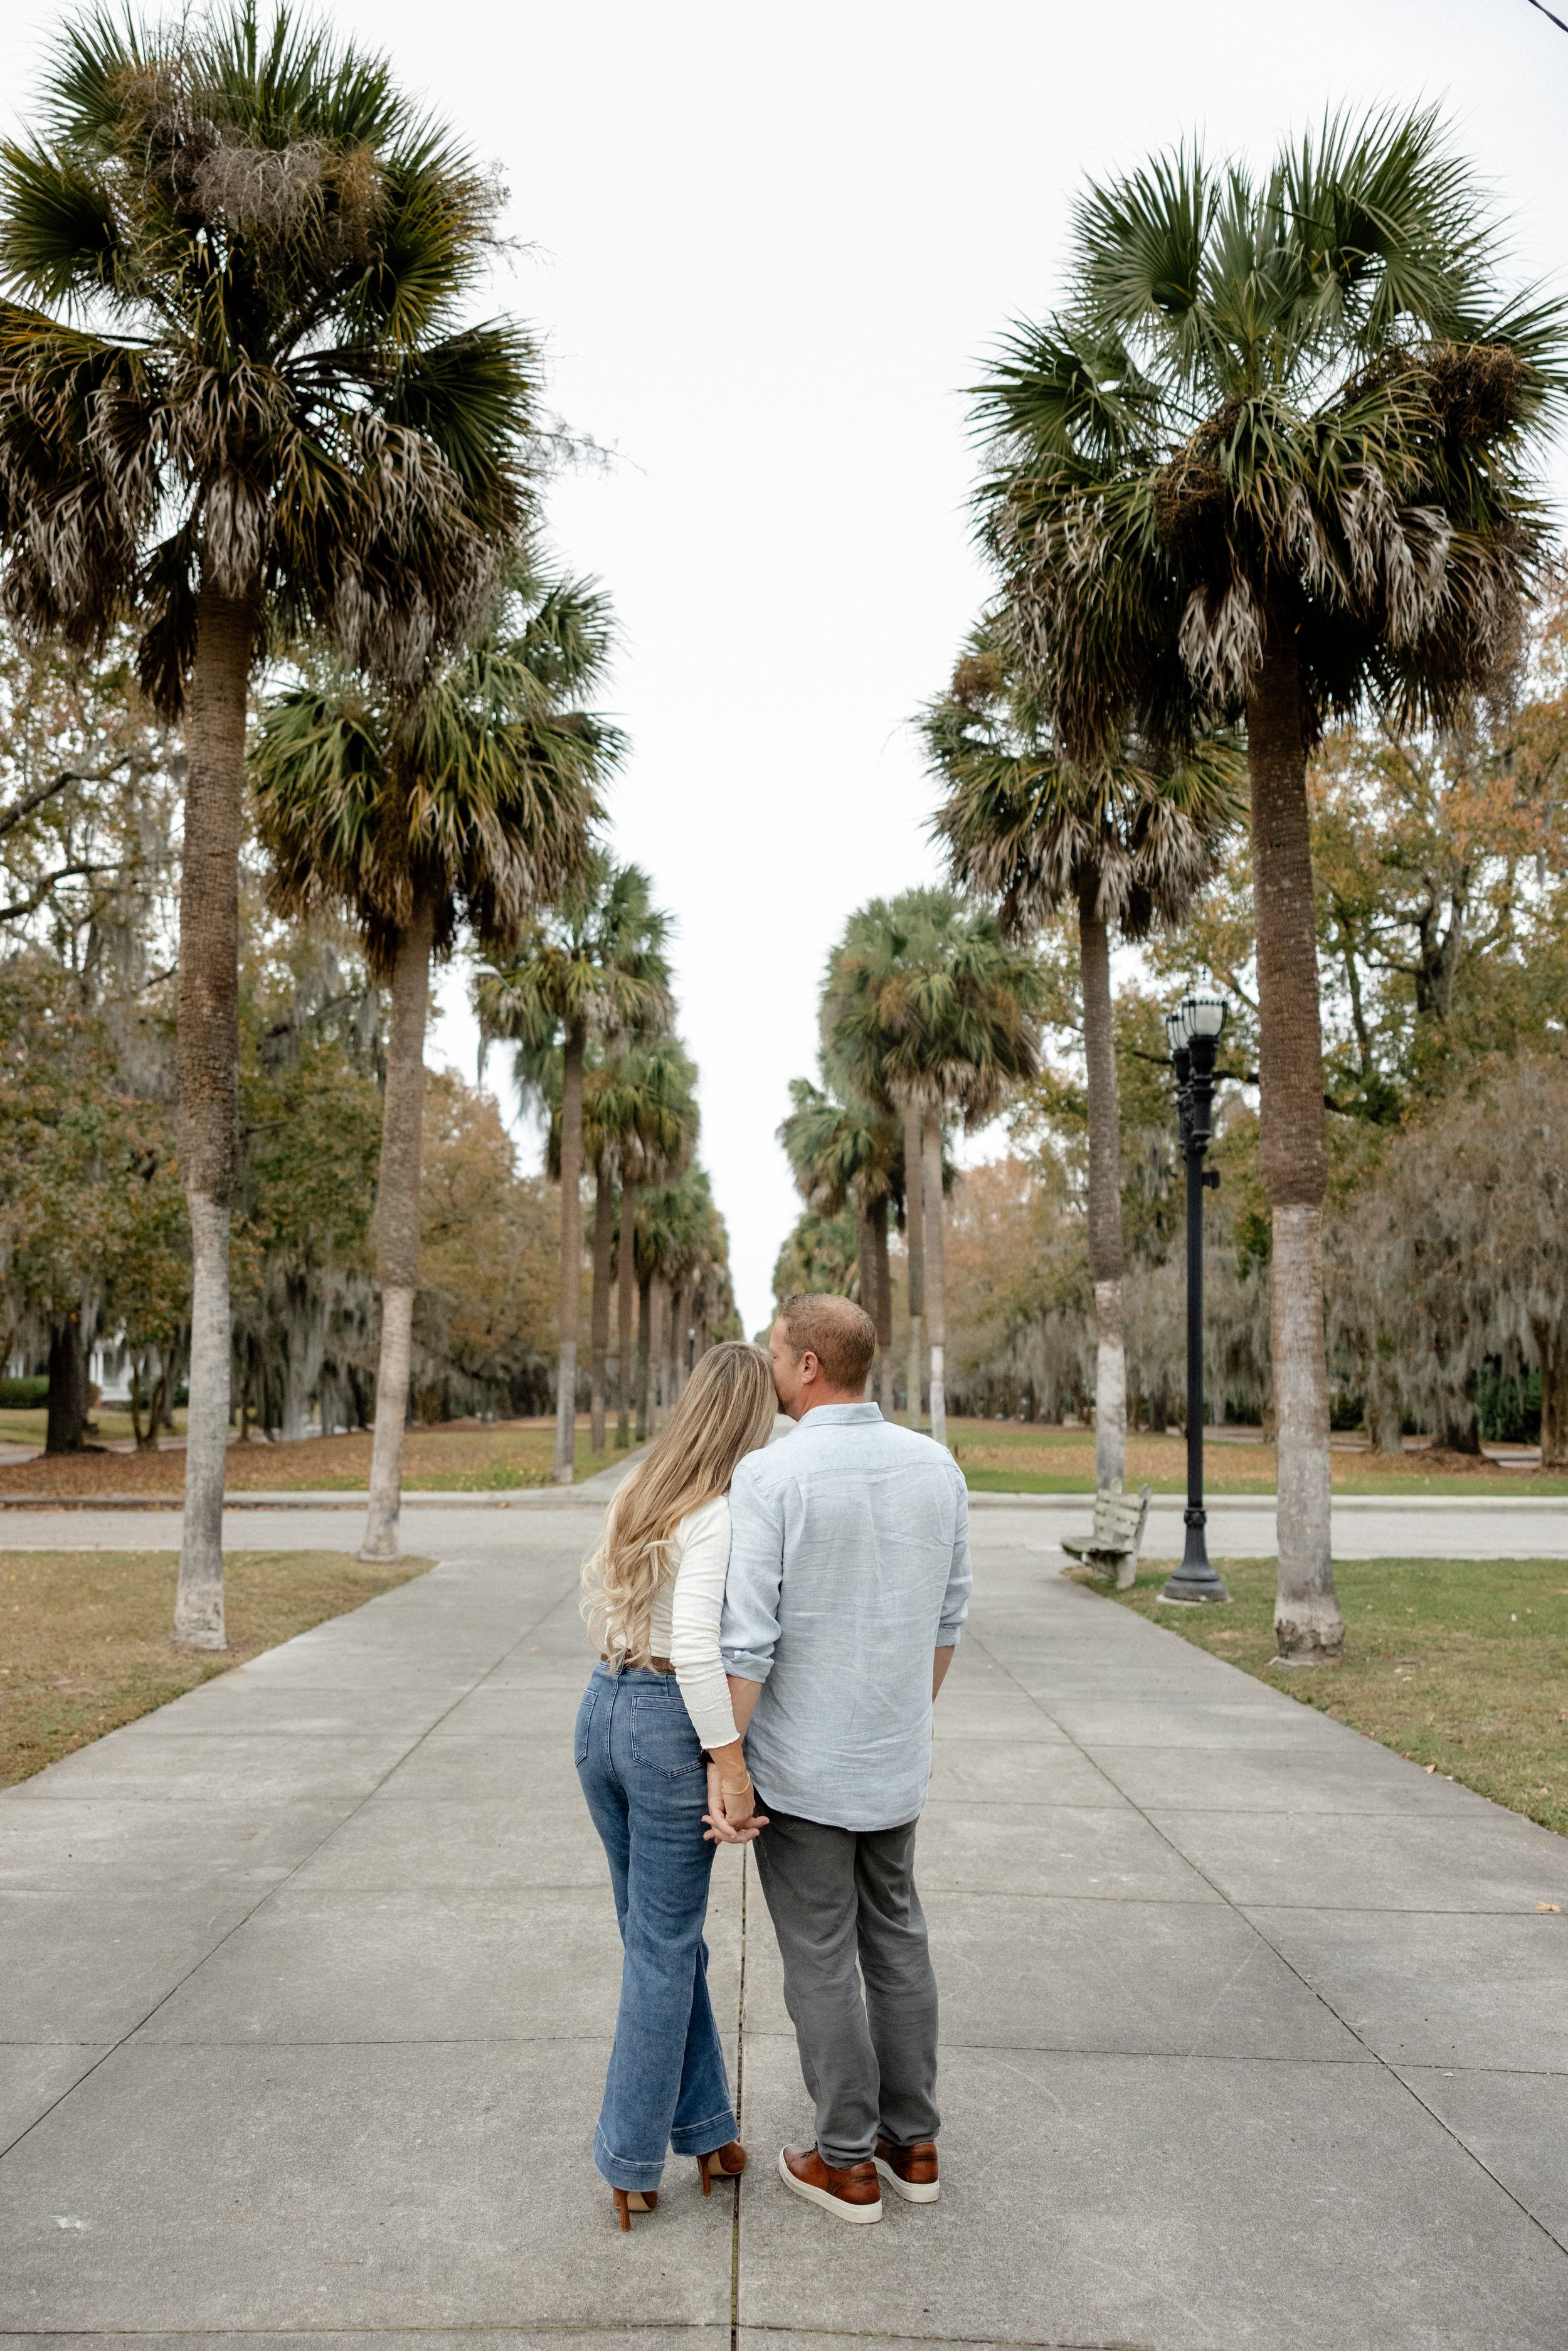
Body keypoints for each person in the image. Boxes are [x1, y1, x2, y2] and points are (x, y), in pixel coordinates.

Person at [721, 1292, 971, 2225]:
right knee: (897, 1939)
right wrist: (900, 1720)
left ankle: (846, 2162)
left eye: (776, 1353)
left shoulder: (770, 1476)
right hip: (893, 1762)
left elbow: (748, 1641)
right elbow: (947, 1620)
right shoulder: (937, 1468)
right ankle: (914, 2146)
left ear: (808, 1366)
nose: (771, 1369)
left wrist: (727, 1763)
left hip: (802, 1771)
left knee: (821, 1955)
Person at [574, 1339, 776, 2229]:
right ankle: (629, 2158)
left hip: (602, 1708)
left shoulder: (645, 1487)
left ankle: (709, 2129)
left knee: (658, 1940)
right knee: (663, 1947)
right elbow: (695, 1648)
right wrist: (730, 1766)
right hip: (665, 1723)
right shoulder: (719, 1512)